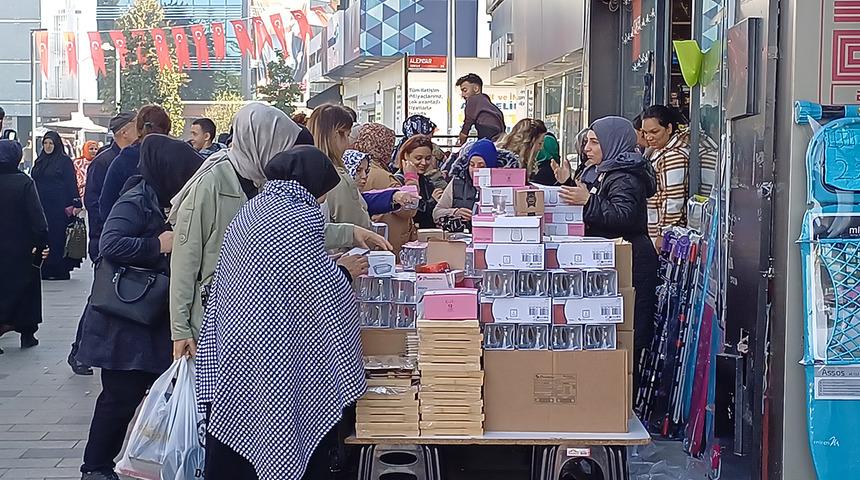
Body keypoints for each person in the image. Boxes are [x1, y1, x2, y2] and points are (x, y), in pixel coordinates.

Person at [196, 146, 368, 480]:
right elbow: (319, 291)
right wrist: (344, 272)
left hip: (238, 347)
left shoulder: (254, 209)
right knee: (282, 428)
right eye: (320, 191)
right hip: (280, 354)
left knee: (242, 431)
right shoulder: (297, 218)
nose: (320, 199)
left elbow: (286, 276)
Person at [170, 104, 390, 360]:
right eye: (281, 146)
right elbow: (186, 259)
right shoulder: (212, 183)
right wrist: (180, 328)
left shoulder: (261, 179)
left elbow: (288, 231)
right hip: (213, 315)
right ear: (262, 142)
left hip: (253, 312)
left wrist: (350, 233)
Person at [76, 135, 203, 480]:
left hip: (148, 319)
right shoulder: (136, 199)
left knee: (143, 396)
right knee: (119, 399)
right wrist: (157, 245)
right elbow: (111, 243)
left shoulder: (163, 199)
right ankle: (96, 468)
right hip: (125, 321)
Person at [558, 116, 658, 388]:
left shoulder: (624, 176)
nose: (587, 148)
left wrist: (588, 200)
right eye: (587, 142)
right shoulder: (610, 171)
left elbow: (623, 216)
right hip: (620, 259)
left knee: (628, 334)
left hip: (632, 263)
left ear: (612, 143)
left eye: (594, 142)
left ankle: (623, 397)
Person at [0, 140, 48, 353]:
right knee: (26, 289)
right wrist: (41, 243)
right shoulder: (24, 182)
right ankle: (27, 333)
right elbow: (37, 218)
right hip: (21, 247)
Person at [353, 123, 417, 253]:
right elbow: (409, 209)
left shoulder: (355, 169)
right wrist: (412, 179)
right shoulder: (384, 177)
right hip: (388, 243)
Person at [100, 104, 171, 217]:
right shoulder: (177, 158)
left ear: (139, 130)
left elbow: (106, 205)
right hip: (170, 230)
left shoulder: (124, 160)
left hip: (129, 227)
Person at [309, 104, 371, 227]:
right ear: (337, 134)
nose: (348, 144)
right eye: (347, 135)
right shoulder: (336, 178)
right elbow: (357, 227)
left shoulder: (300, 171)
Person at [31, 131, 81, 281]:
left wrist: (76, 202)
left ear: (56, 144)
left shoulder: (64, 161)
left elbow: (71, 182)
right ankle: (43, 267)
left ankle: (58, 268)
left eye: (51, 143)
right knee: (42, 235)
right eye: (45, 143)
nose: (47, 146)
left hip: (58, 205)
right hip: (41, 204)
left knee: (57, 236)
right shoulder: (40, 161)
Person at [641, 105, 691, 245]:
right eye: (645, 133)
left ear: (669, 128)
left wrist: (664, 234)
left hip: (667, 236)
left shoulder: (673, 156)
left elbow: (673, 199)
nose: (649, 137)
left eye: (654, 131)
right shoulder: (659, 151)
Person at [433, 138, 498, 228]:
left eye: (481, 166)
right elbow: (436, 212)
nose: (475, 169)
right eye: (471, 165)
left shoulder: (502, 185)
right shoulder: (457, 182)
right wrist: (455, 212)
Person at [396, 135, 445, 229]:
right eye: (418, 158)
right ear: (406, 156)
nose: (424, 163)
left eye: (428, 158)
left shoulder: (427, 181)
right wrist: (432, 202)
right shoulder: (398, 180)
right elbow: (412, 213)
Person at [456, 73, 506, 145]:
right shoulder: (486, 102)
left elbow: (468, 122)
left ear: (476, 89)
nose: (463, 95)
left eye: (465, 90)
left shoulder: (473, 99)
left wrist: (462, 138)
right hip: (499, 134)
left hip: (487, 131)